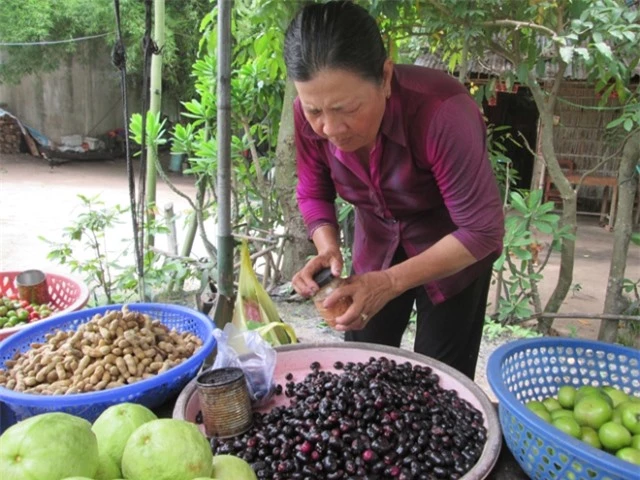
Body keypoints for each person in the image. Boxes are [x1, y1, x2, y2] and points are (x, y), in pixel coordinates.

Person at [284, 1, 504, 380]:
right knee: (362, 362)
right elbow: (313, 192)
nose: (331, 129)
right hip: (376, 238)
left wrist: (388, 282)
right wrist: (327, 248)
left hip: (453, 247)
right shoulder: (309, 115)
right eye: (315, 111)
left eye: (346, 108)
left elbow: (482, 230)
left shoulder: (442, 111)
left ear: (385, 78)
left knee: (442, 375)